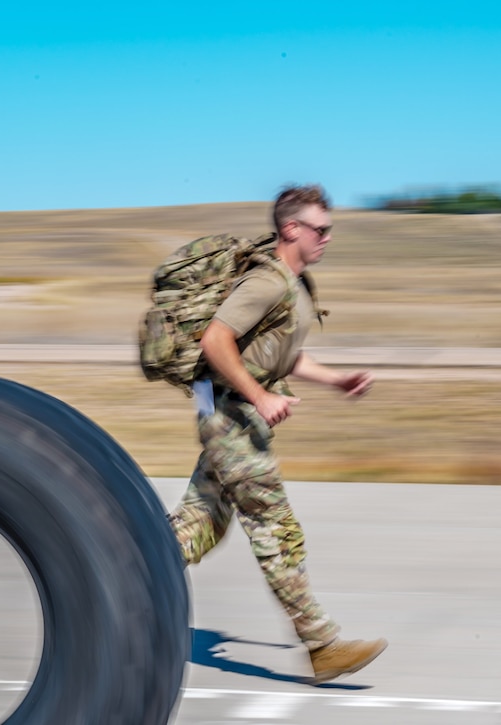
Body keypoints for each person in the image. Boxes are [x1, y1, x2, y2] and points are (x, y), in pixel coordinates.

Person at [166, 185, 388, 684]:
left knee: (201, 522)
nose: (328, 238)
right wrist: (260, 396)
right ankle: (322, 644)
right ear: (292, 229)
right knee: (276, 527)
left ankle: (123, 565)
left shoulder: (295, 284)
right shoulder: (267, 283)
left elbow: (280, 355)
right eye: (321, 229)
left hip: (231, 414)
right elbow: (215, 339)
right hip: (230, 416)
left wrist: (337, 380)